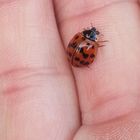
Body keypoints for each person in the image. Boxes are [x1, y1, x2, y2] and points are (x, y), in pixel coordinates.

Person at [0, 0, 140, 139]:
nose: (94, 32)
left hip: (74, 59)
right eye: (93, 32)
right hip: (76, 60)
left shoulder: (81, 37)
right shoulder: (91, 43)